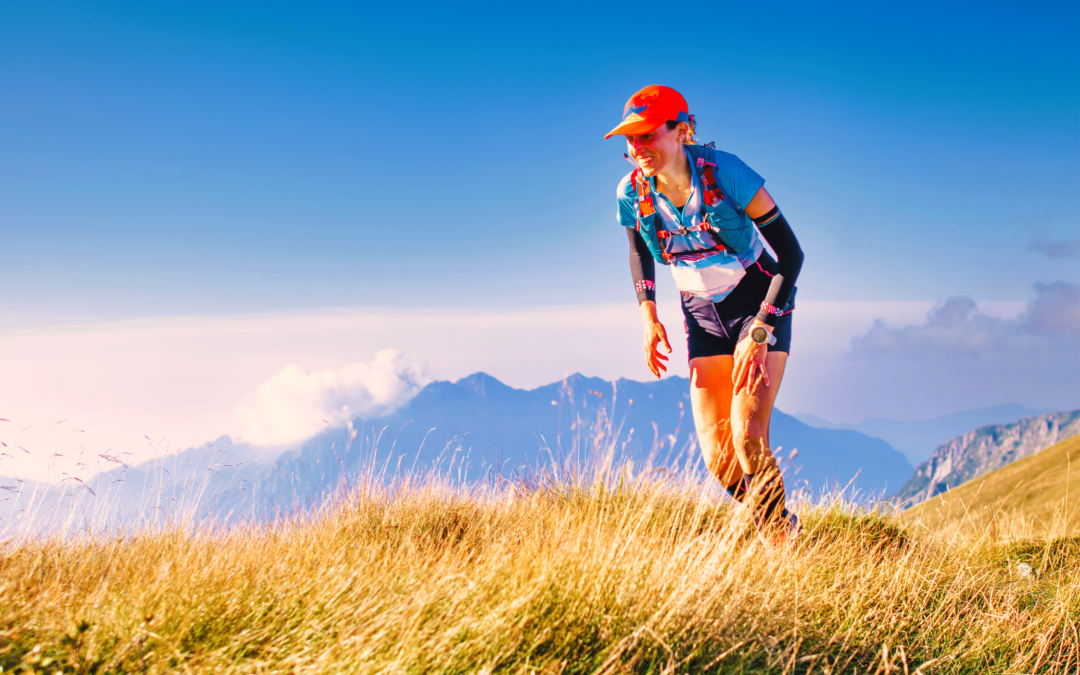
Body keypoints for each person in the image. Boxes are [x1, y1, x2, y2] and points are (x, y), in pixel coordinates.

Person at [605, 85, 803, 539]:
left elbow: (791, 256)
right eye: (630, 140)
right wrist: (649, 317)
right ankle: (777, 520)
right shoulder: (631, 192)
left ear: (681, 130)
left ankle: (779, 543)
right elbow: (639, 251)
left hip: (758, 300)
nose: (637, 148)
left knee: (748, 434)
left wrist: (760, 331)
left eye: (648, 135)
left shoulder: (727, 172)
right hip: (699, 313)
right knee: (719, 457)